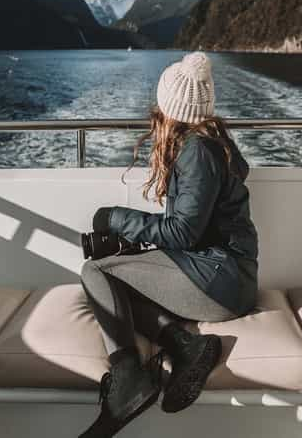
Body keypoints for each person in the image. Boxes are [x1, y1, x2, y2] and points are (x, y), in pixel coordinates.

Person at [78, 52, 259, 437]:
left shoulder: (197, 151)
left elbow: (182, 233)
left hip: (220, 280)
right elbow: (191, 233)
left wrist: (115, 218)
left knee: (94, 271)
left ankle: (127, 380)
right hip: (223, 274)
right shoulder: (210, 143)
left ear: (171, 108)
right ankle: (185, 346)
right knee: (118, 284)